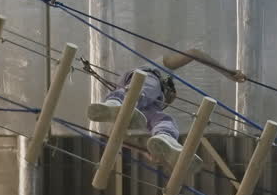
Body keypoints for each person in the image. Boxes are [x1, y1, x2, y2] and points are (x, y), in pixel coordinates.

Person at [88, 48, 245, 172]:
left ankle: (165, 137)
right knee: (143, 91)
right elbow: (194, 53)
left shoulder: (152, 105)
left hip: (133, 99)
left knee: (164, 120)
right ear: (168, 87)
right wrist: (227, 72)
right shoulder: (158, 71)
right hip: (140, 82)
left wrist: (146, 151)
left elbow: (115, 135)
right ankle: (115, 101)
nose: (167, 102)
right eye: (170, 98)